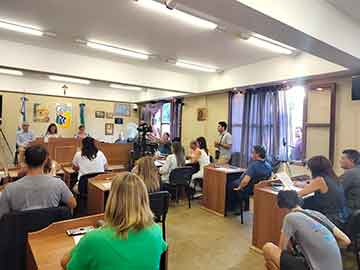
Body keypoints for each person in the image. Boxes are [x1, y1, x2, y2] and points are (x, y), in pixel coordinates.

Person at [61, 172, 168, 270]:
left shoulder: (93, 240)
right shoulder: (156, 231)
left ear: (112, 199)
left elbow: (66, 264)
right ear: (144, 199)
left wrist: (81, 245)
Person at [262, 190, 350, 270]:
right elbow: (346, 241)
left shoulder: (290, 217)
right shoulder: (317, 214)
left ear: (282, 207)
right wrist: (322, 247)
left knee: (268, 248)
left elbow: (282, 249)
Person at [0, 145, 76, 218]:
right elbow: (73, 204)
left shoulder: (9, 189)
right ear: (45, 160)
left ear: (25, 161)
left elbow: (3, 217)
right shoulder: (59, 184)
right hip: (51, 229)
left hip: (20, 230)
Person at [295, 155, 348, 226]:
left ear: (315, 169)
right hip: (341, 216)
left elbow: (298, 194)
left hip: (331, 219)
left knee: (297, 211)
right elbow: (313, 185)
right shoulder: (334, 178)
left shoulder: (320, 180)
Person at [339, 149, 360, 214]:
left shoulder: (350, 173)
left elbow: (337, 191)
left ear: (352, 160)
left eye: (343, 158)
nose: (340, 161)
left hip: (351, 210)